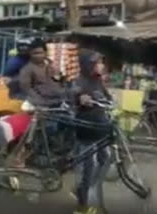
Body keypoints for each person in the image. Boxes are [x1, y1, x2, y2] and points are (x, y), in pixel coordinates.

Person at [72, 50, 111, 214]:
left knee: (106, 158)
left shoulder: (98, 80)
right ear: (88, 65)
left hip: (100, 125)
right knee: (89, 165)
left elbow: (108, 97)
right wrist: (81, 99)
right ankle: (81, 205)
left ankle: (88, 188)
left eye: (101, 62)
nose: (100, 65)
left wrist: (110, 100)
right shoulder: (79, 81)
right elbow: (74, 94)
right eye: (97, 63)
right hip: (86, 127)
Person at [19, 38, 66, 107]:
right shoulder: (27, 70)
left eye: (40, 53)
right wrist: (40, 102)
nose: (38, 56)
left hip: (59, 101)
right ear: (30, 54)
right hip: (41, 105)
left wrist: (63, 91)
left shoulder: (52, 65)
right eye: (35, 53)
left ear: (45, 53)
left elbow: (61, 80)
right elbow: (27, 89)